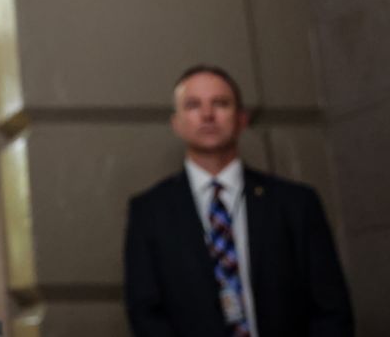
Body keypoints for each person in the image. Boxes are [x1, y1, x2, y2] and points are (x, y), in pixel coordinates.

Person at [124, 65, 353, 337]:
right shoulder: (149, 211)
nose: (208, 115)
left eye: (220, 103)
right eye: (193, 105)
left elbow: (331, 308)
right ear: (177, 123)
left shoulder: (296, 204)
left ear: (242, 119)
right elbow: (146, 314)